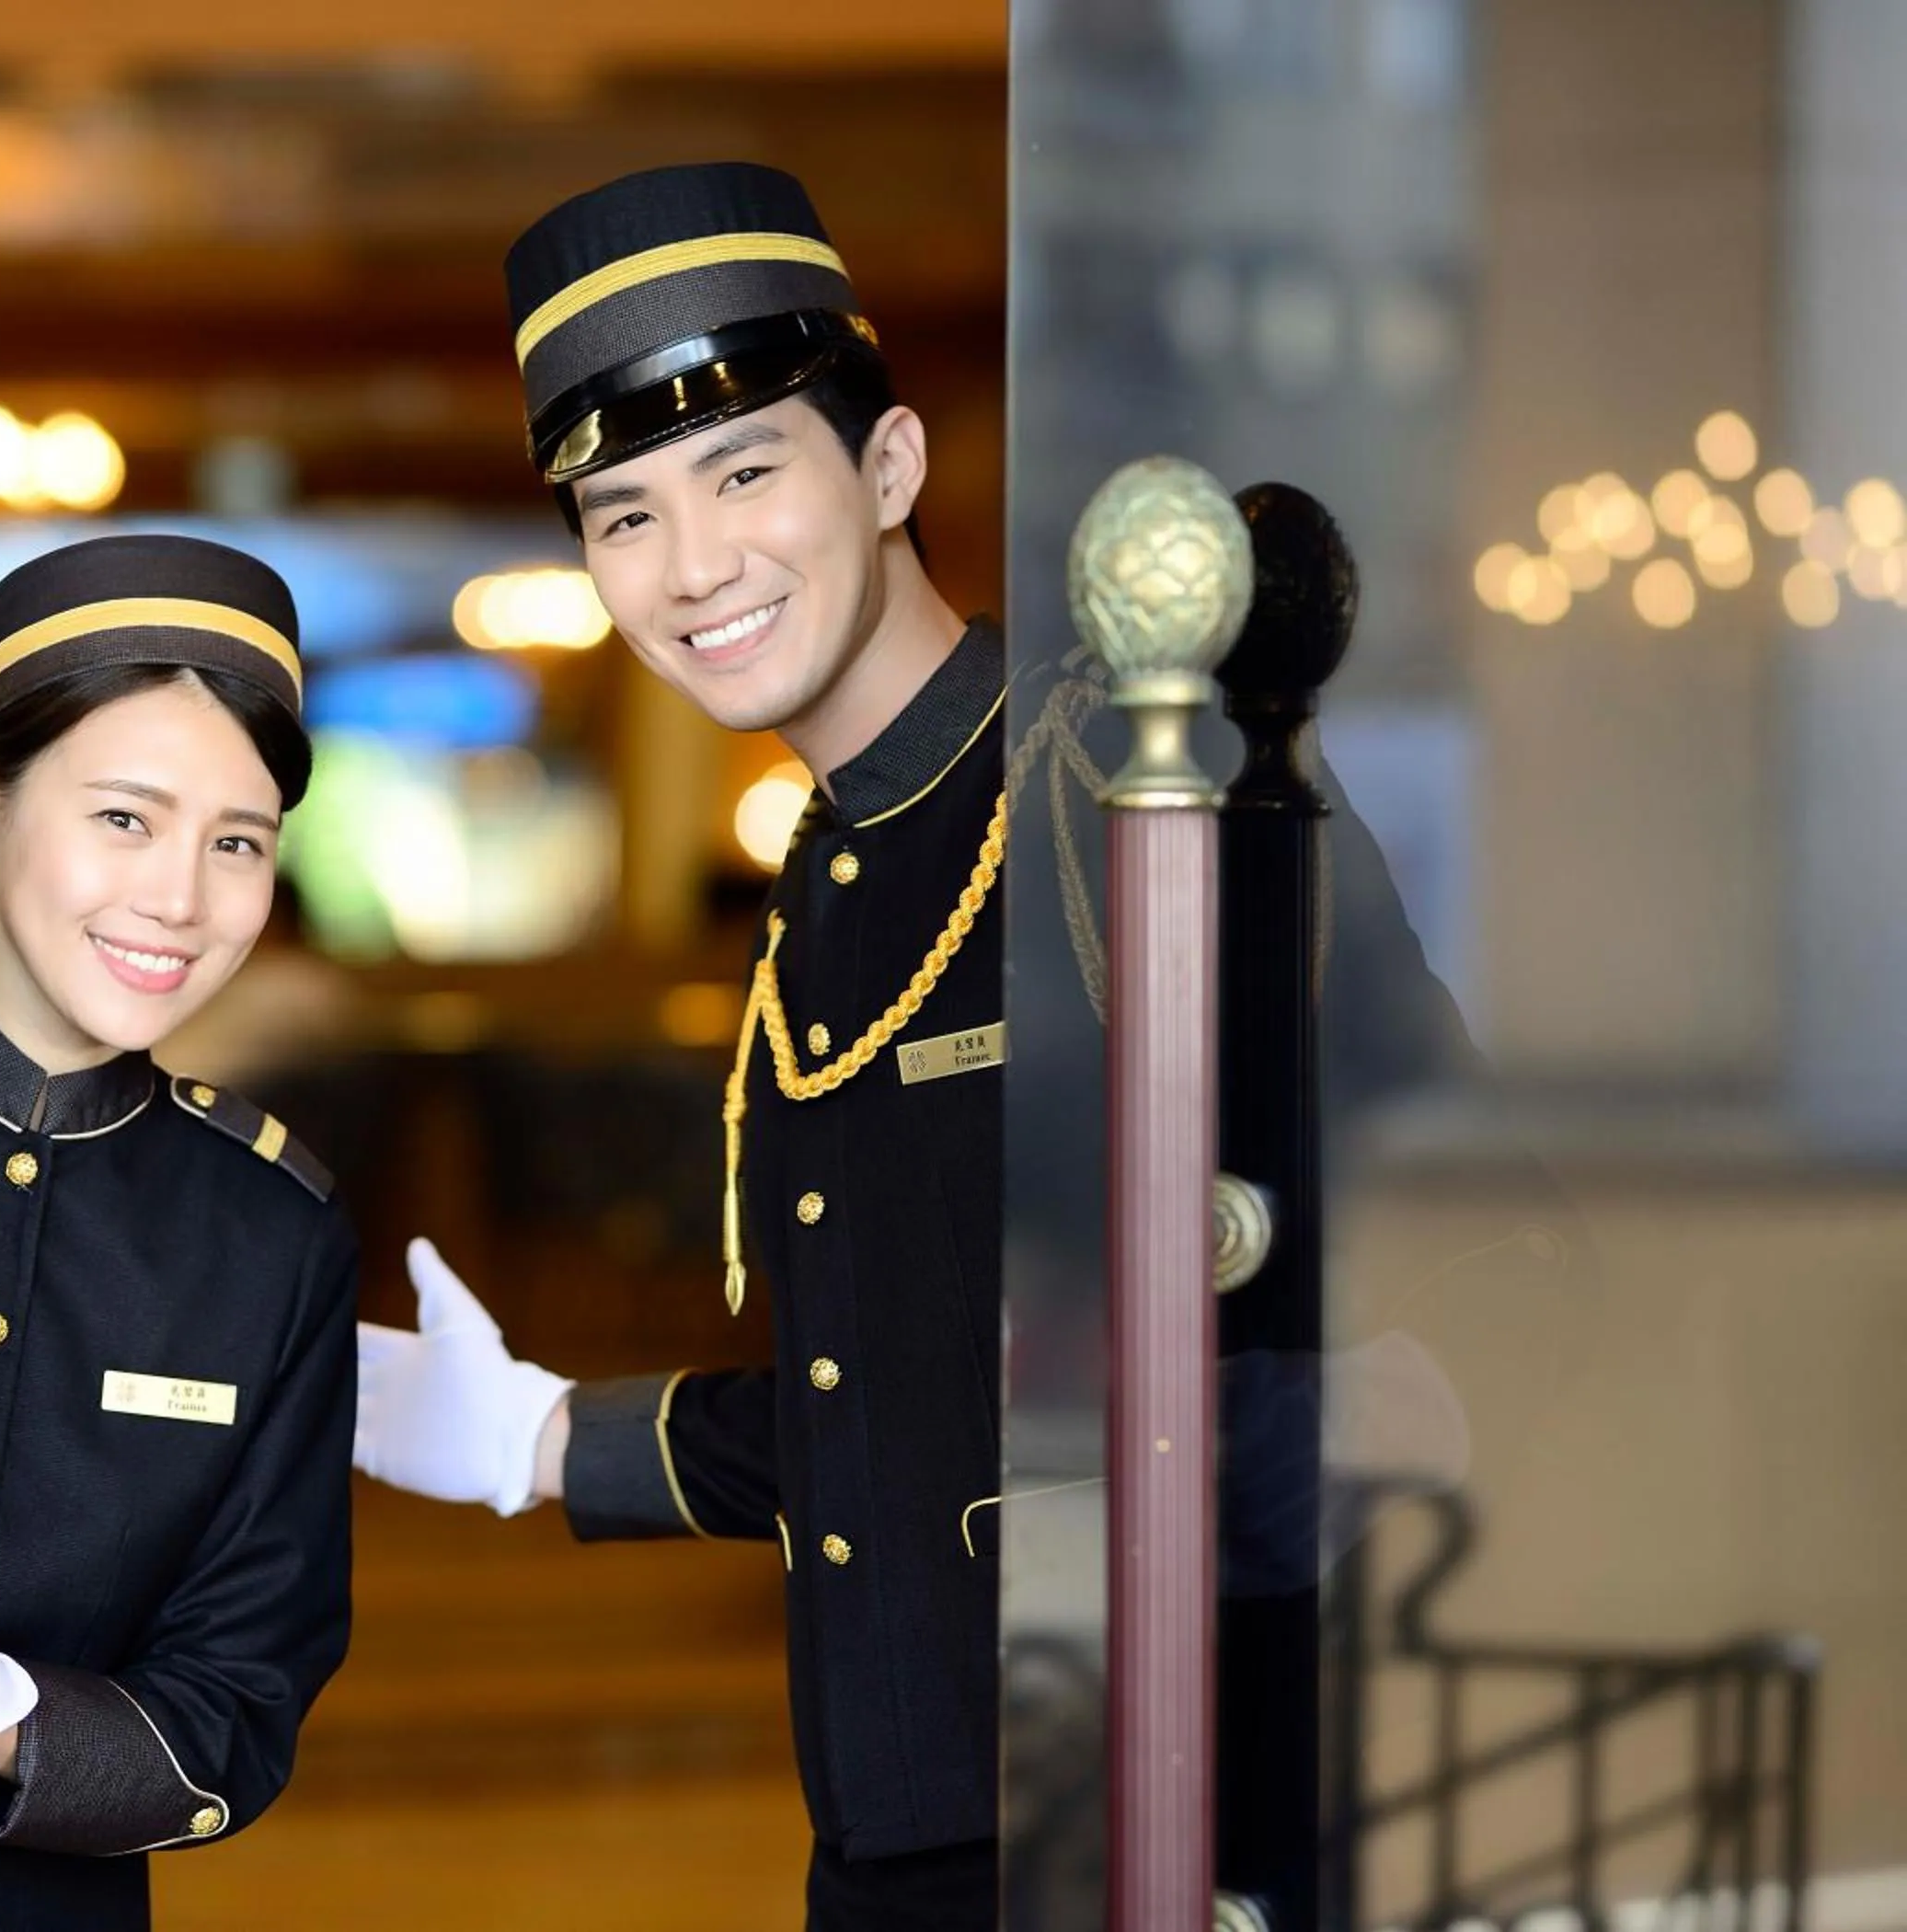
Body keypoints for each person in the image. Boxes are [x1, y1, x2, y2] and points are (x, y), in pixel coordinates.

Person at [350, 162, 1537, 1929]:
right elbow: (889, 1405)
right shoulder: (828, 868)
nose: (692, 567)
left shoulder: (1118, 772)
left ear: (889, 467)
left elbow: (1482, 1233)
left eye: (745, 472)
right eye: (623, 517)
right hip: (901, 1832)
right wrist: (539, 1439)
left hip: (1158, 1811)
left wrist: (1355, 1416)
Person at [0, 534, 358, 1930]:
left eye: (238, 843)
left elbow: (238, 1707)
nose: (179, 898)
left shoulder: (269, 1236)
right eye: (123, 819)